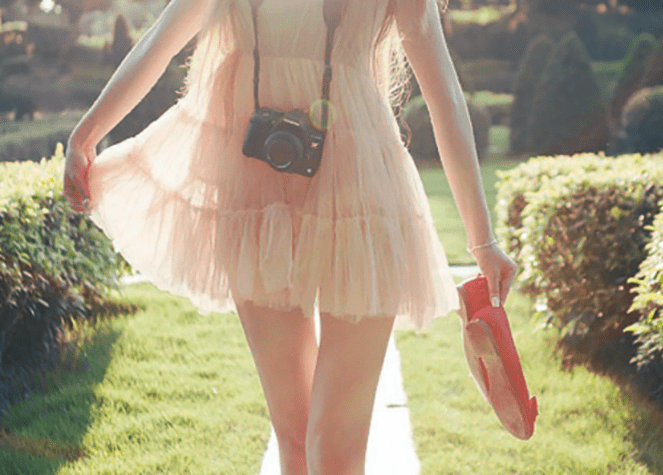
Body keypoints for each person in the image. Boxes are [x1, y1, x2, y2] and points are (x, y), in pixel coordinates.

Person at [63, 0, 517, 473]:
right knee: (296, 440)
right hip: (254, 198)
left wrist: (482, 241)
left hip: (359, 197)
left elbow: (444, 92)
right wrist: (85, 135)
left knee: (335, 449)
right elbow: (161, 39)